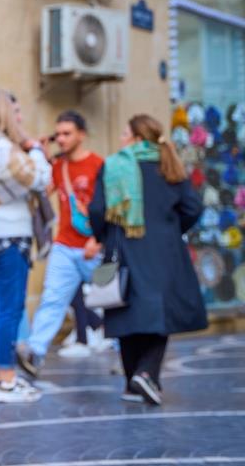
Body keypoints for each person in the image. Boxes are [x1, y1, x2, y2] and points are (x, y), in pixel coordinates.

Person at [89, 114, 207, 405]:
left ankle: (135, 380)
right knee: (160, 313)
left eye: (125, 134)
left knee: (125, 310)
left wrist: (105, 235)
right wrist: (170, 228)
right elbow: (193, 207)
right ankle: (146, 374)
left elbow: (96, 209)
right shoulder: (169, 166)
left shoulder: (113, 165)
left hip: (123, 247)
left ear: (138, 138)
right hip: (165, 250)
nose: (121, 140)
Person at [0, 88, 51, 402]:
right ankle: (6, 379)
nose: (19, 118)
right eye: (14, 112)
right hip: (9, 233)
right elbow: (39, 178)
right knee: (10, 308)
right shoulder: (2, 146)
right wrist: (36, 150)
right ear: (2, 112)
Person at [16, 110, 103, 378]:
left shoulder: (98, 164)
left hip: (94, 247)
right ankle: (35, 353)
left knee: (114, 302)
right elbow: (41, 192)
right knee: (52, 298)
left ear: (82, 135)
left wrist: (98, 240)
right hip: (64, 246)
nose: (62, 139)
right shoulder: (58, 165)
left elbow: (110, 206)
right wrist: (40, 153)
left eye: (67, 134)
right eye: (59, 134)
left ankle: (134, 356)